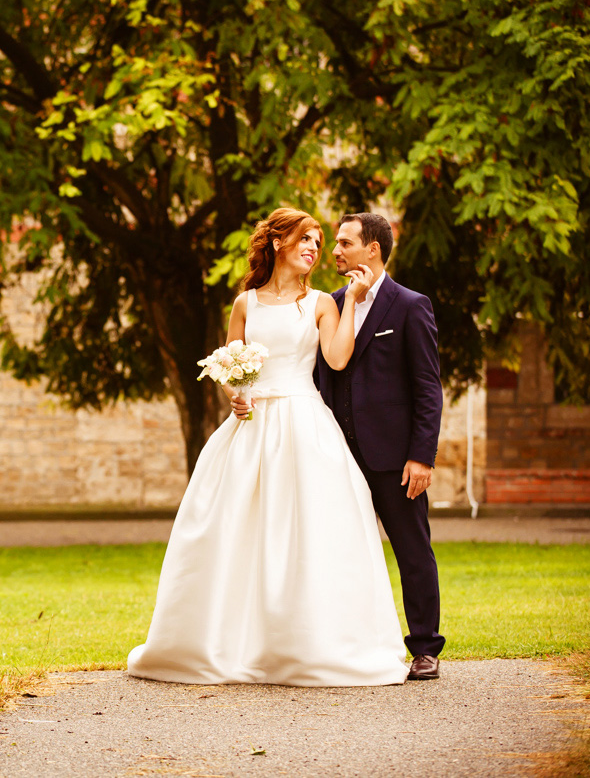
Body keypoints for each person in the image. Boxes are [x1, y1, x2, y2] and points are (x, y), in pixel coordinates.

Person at [127, 207, 409, 687]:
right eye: (306, 239)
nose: (315, 249)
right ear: (278, 242)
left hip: (304, 425)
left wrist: (356, 298)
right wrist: (236, 396)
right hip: (251, 429)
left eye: (320, 243)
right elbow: (231, 366)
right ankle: (226, 641)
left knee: (309, 532)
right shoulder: (245, 304)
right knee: (232, 531)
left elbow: (338, 360)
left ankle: (305, 642)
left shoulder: (323, 303)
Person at [313, 213, 444, 681]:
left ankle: (425, 648)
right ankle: (346, 648)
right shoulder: (327, 305)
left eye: (345, 243)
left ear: (374, 248)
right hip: (335, 456)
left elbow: (428, 387)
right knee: (337, 552)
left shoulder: (410, 305)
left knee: (412, 551)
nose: (335, 252)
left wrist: (421, 455)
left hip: (395, 459)